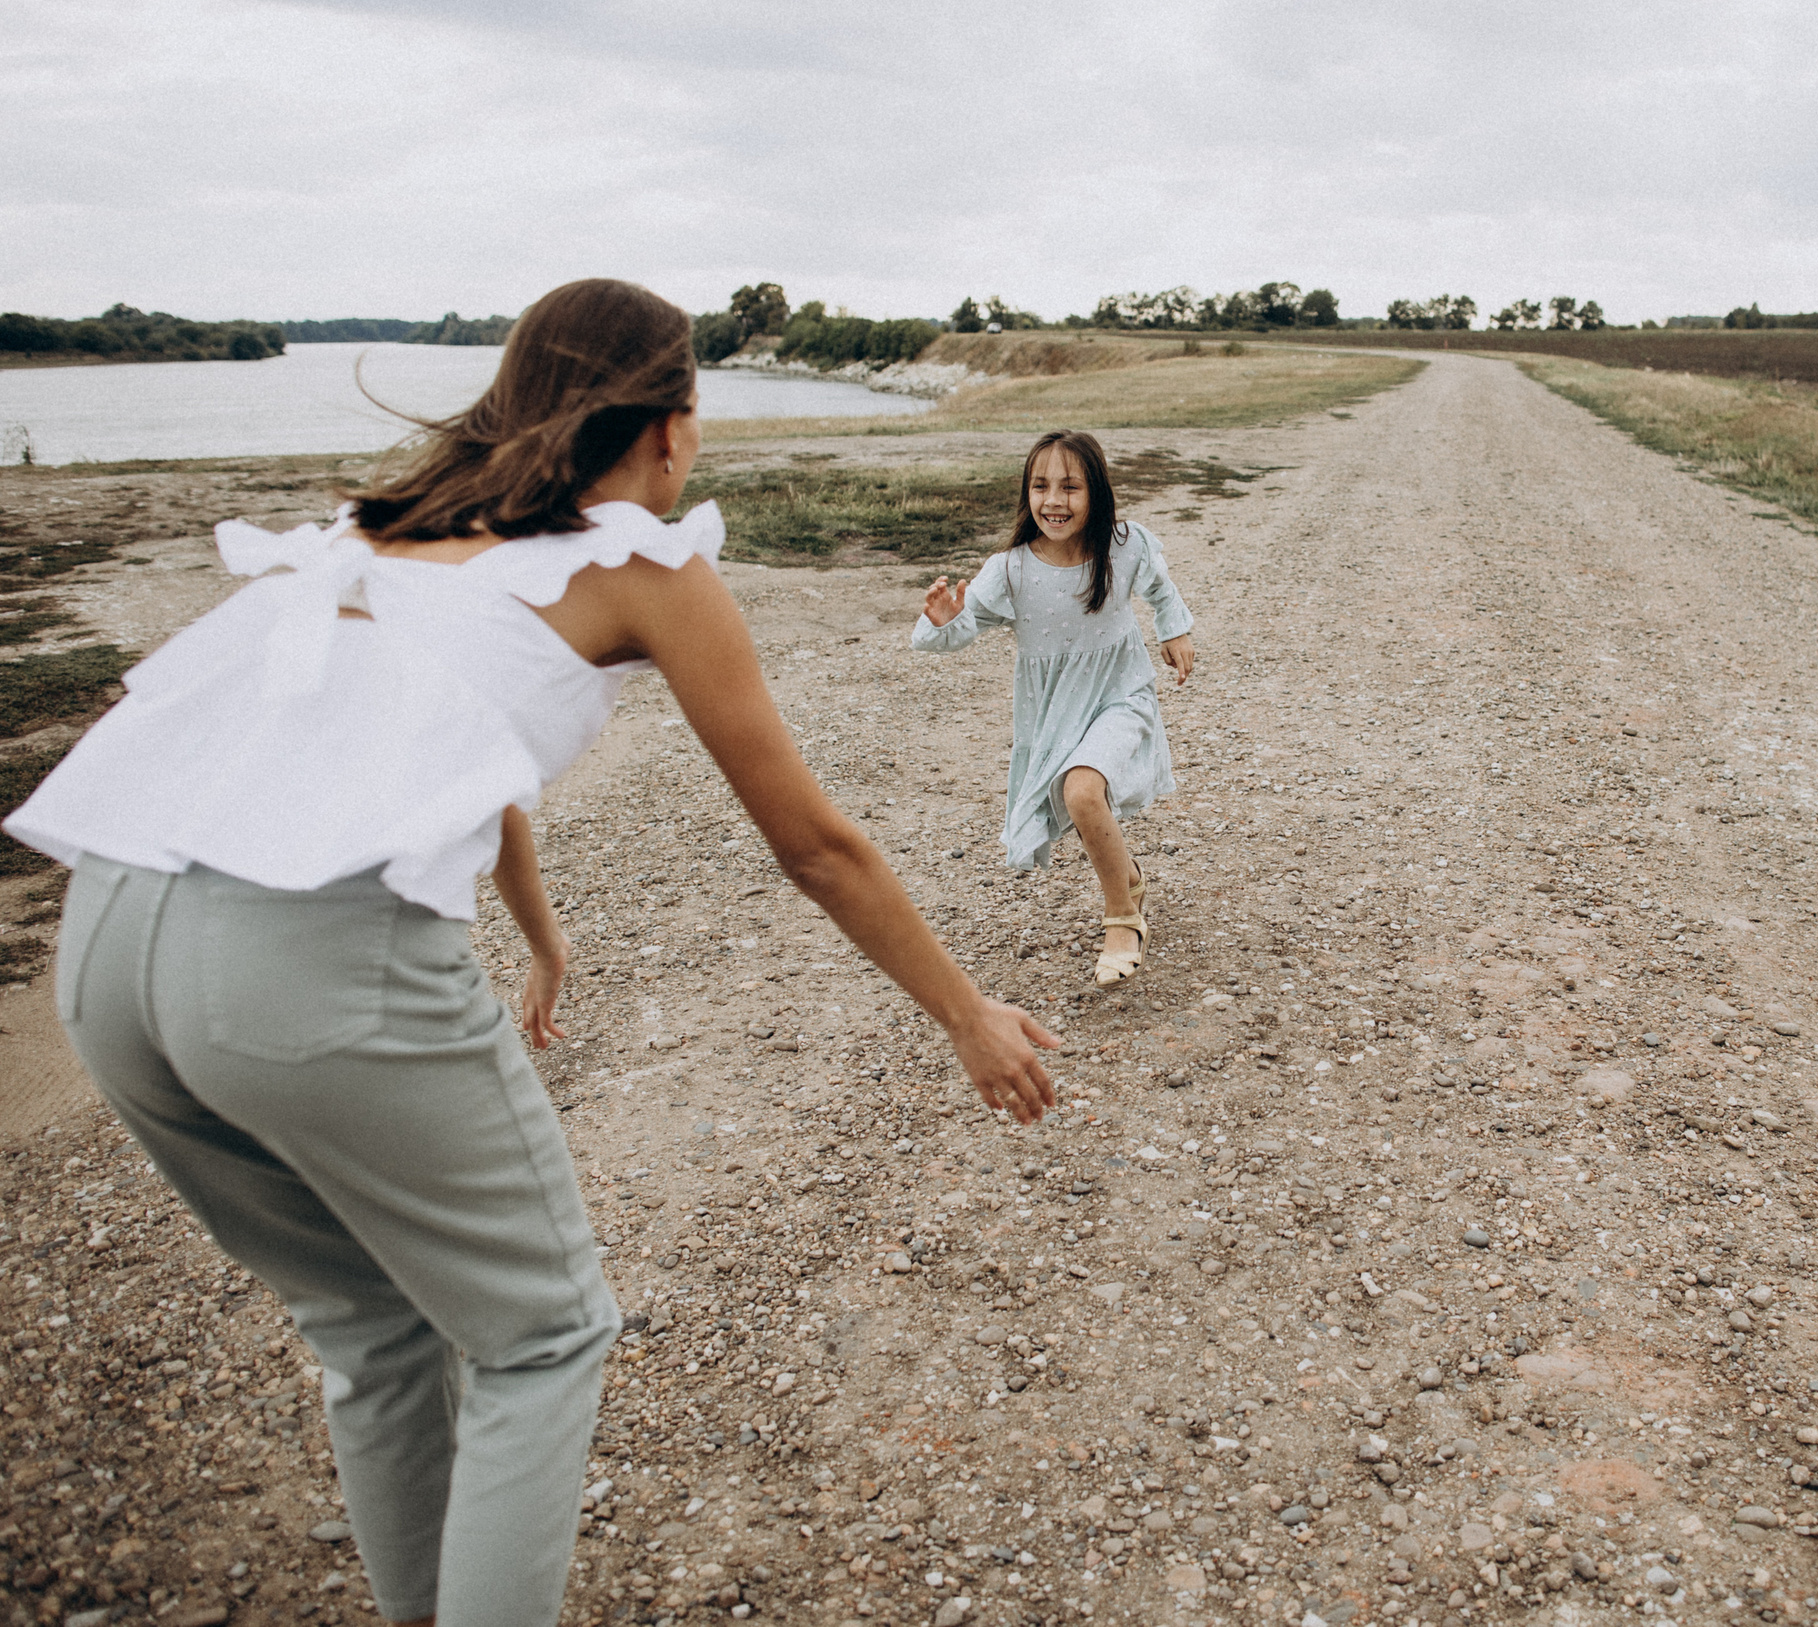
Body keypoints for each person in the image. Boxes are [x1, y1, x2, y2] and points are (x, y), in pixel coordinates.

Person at [3, 278, 1057, 1627]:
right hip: (301, 956)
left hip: (108, 940)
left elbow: (449, 754)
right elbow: (815, 845)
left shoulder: (390, 527)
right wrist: (965, 1010)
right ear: (668, 428)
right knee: (544, 1334)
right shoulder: (644, 562)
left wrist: (542, 940)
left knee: (373, 1326)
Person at [912, 429, 1195, 983]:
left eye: (1070, 487)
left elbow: (1161, 589)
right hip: (1055, 715)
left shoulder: (1124, 546)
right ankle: (1128, 877)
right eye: (1040, 486)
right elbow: (960, 630)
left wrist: (1174, 630)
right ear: (1027, 492)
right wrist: (944, 621)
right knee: (1081, 801)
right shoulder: (1011, 570)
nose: (1054, 501)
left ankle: (1123, 918)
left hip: (1121, 695)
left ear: (1096, 492)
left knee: (1082, 792)